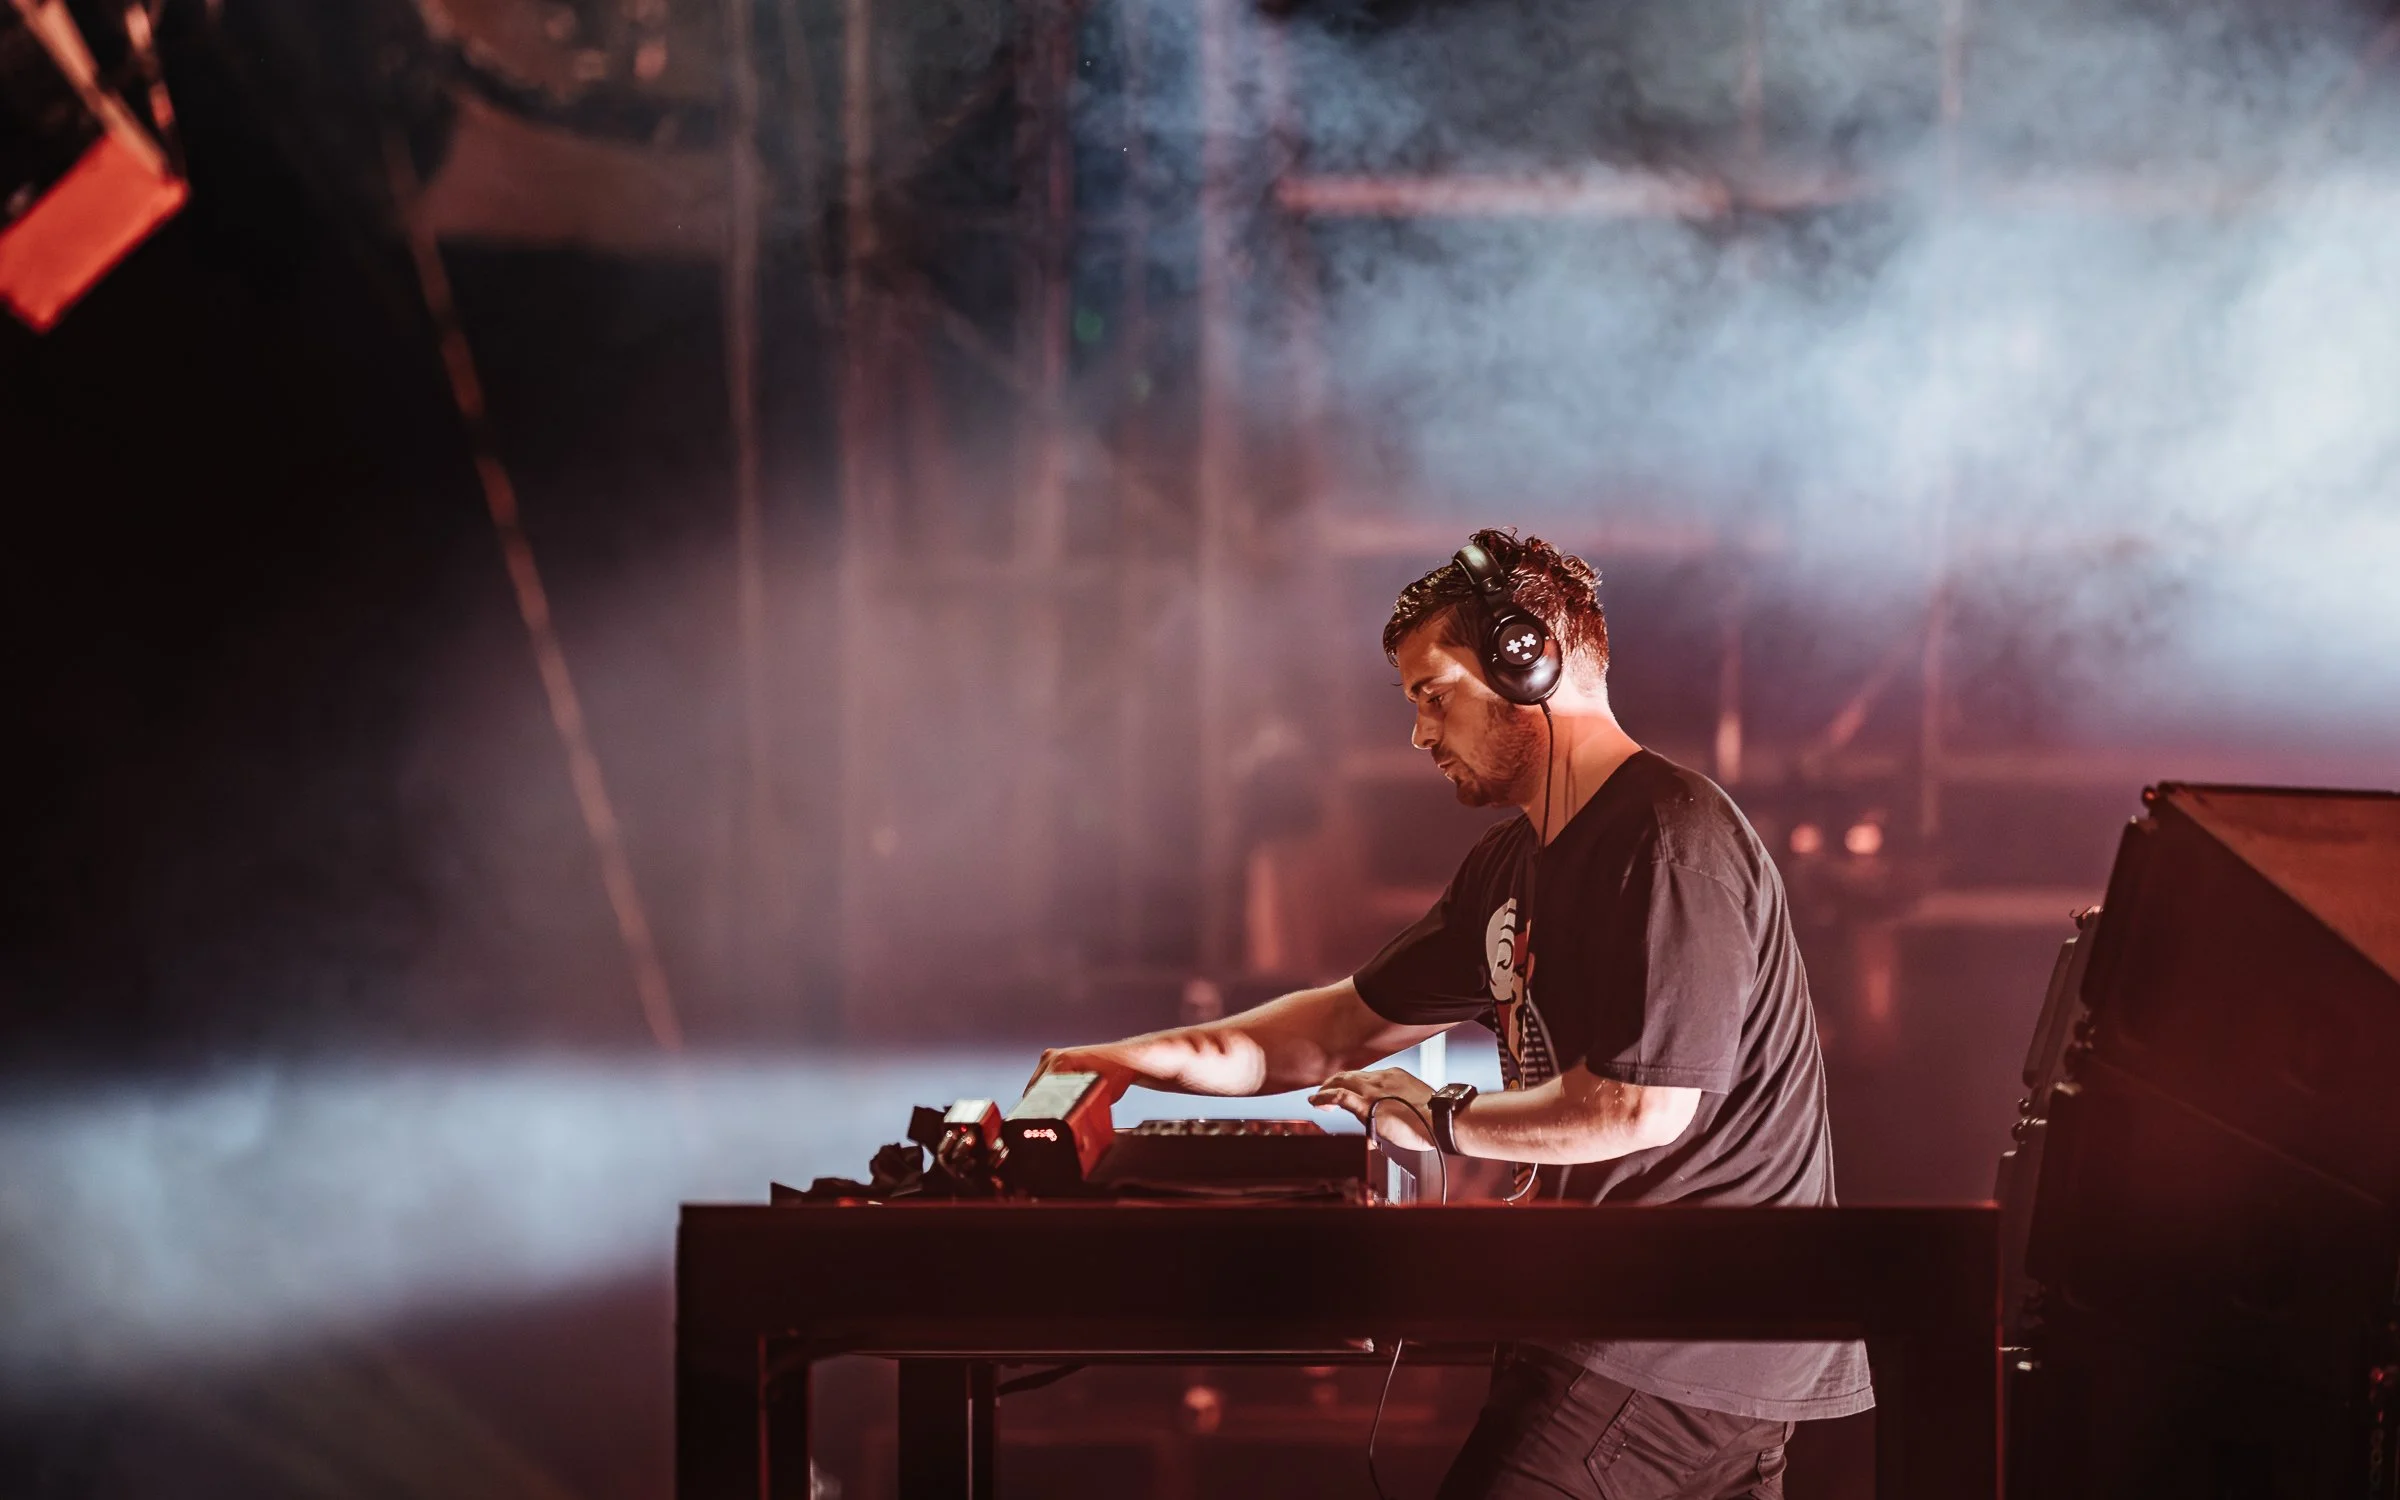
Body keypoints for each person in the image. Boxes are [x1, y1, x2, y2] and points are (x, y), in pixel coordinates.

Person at [1027, 529, 1872, 1498]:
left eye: (1434, 695)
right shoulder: (1509, 868)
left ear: (1527, 663)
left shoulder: (1670, 839)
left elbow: (1641, 1108)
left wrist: (1437, 1115)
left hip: (1668, 1343)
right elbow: (1333, 1030)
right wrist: (1131, 1063)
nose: (1420, 735)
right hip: (1654, 1348)